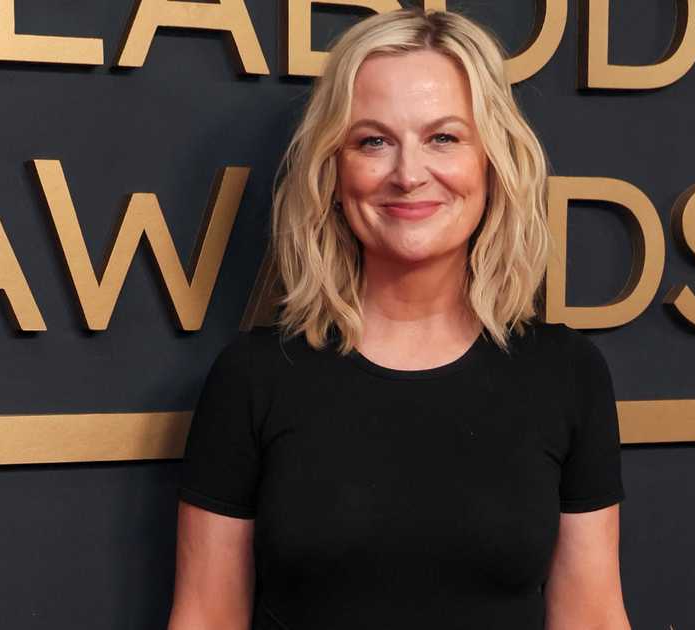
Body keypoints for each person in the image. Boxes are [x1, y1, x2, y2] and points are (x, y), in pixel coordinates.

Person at [167, 7, 629, 629]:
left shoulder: (568, 375)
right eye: (373, 141)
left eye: (443, 137)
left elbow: (593, 619)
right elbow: (205, 617)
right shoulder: (254, 378)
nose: (408, 175)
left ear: (491, 162)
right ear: (334, 171)